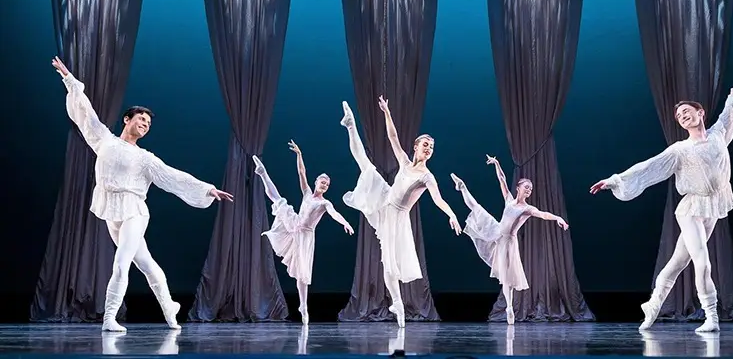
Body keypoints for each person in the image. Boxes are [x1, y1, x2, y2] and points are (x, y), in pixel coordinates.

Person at [51, 56, 233, 332]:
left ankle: (108, 317)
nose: (145, 124)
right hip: (111, 210)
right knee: (146, 264)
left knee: (121, 262)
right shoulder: (104, 140)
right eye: (141, 119)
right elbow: (85, 114)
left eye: (148, 122)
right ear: (127, 119)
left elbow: (173, 176)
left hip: (135, 211)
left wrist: (206, 188)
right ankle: (170, 307)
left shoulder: (146, 159)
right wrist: (69, 80)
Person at [589, 54, 733, 333]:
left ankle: (653, 305)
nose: (683, 117)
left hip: (712, 205)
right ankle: (712, 317)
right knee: (702, 260)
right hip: (691, 209)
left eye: (687, 112)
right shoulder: (679, 150)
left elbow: (732, 106)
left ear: (700, 113)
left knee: (676, 263)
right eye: (679, 116)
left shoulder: (719, 133)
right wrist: (613, 180)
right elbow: (647, 167)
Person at [339, 97, 462, 327]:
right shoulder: (405, 163)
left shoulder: (427, 177)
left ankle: (397, 304)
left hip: (397, 217)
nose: (429, 149)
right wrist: (386, 111)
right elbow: (393, 137)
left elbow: (438, 200)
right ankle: (350, 124)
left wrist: (451, 214)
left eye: (432, 147)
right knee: (366, 165)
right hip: (385, 199)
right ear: (416, 146)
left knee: (390, 263)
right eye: (425, 144)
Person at [450, 156, 568, 325]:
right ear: (519, 188)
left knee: (507, 279)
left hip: (508, 243)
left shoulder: (527, 209)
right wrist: (497, 163)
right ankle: (461, 186)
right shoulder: (509, 201)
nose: (529, 190)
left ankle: (509, 308)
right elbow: (502, 179)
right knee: (476, 207)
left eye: (531, 189)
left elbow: (542, 214)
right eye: (526, 187)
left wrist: (557, 218)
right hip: (496, 231)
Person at [254, 140, 354, 325]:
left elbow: (334, 213)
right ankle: (263, 174)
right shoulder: (307, 193)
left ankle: (303, 306)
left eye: (327, 185)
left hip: (306, 236)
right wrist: (299, 155)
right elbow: (302, 172)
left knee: (302, 273)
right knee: (279, 200)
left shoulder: (324, 203)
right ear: (316, 182)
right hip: (294, 224)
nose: (324, 185)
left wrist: (345, 222)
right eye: (322, 182)